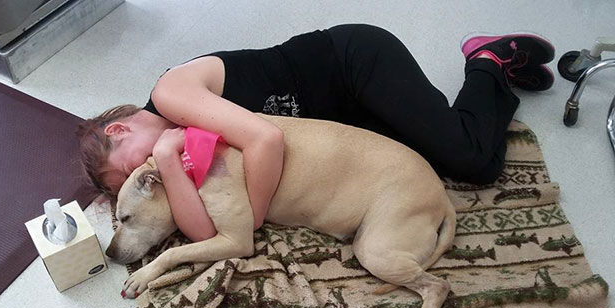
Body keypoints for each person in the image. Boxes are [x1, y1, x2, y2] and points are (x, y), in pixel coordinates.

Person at [76, 24, 555, 242]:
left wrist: (251, 221)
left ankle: (486, 59)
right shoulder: (177, 145)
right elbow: (201, 230)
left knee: (469, 156)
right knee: (480, 166)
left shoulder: (172, 93)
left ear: (120, 128)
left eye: (133, 163)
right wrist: (168, 165)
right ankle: (501, 78)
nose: (148, 170)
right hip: (342, 124)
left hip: (351, 65)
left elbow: (267, 141)